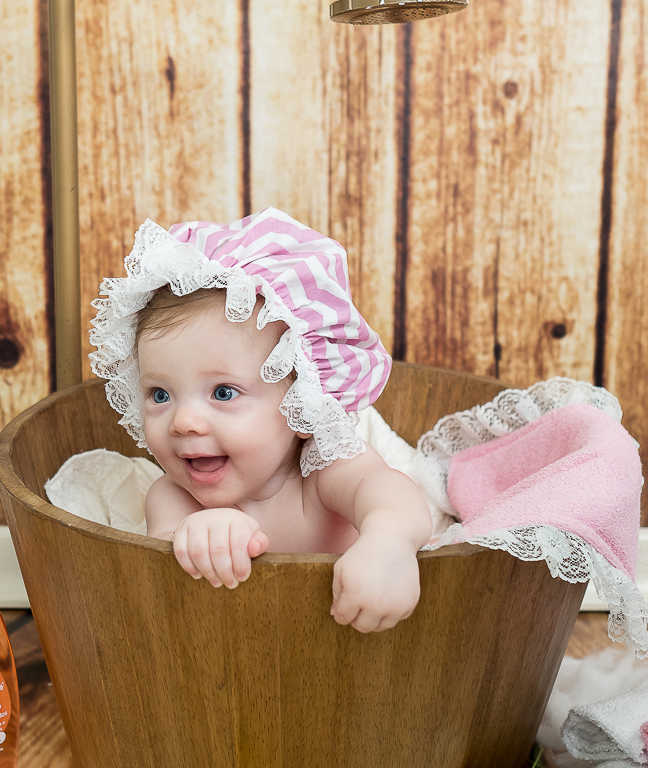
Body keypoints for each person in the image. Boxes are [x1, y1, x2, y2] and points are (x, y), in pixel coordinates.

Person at [89, 208, 431, 633]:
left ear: (302, 404)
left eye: (223, 392)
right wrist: (197, 534)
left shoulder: (325, 470)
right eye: (160, 395)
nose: (184, 421)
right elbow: (161, 567)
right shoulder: (175, 496)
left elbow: (395, 495)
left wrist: (390, 543)